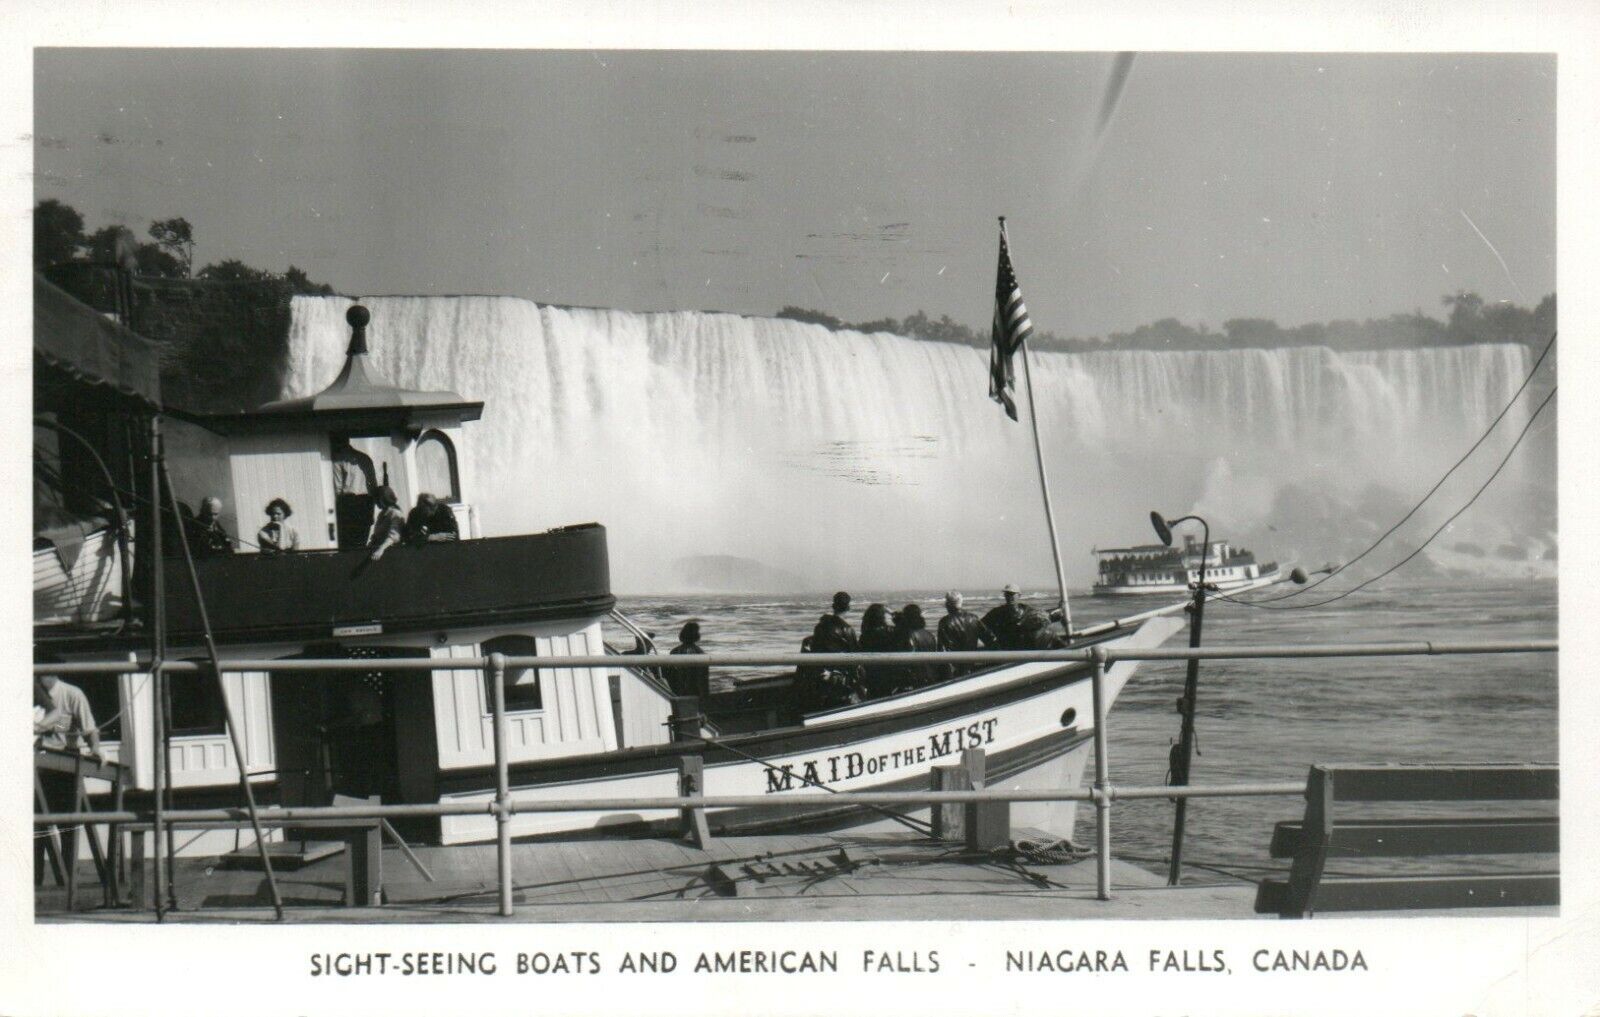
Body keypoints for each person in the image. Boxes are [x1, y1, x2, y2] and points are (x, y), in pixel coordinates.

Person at [800, 592, 860, 710]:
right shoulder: (848, 629)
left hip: (821, 672)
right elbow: (855, 655)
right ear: (848, 607)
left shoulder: (820, 627)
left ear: (833, 606)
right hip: (840, 677)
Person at [33, 672, 102, 762]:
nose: (35, 678)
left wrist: (95, 748)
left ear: (53, 673)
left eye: (38, 674)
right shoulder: (33, 692)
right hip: (38, 752)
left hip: (66, 755)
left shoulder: (74, 694)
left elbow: (89, 729)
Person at [331, 439, 378, 549]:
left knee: (348, 542)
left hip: (349, 502)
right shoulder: (365, 458)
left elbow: (338, 487)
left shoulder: (339, 460)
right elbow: (373, 484)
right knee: (362, 540)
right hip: (366, 502)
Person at [891, 603, 945, 690]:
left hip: (914, 680)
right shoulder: (929, 635)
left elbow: (905, 661)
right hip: (931, 677)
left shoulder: (906, 635)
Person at [937, 591, 991, 675]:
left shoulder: (945, 622)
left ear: (948, 604)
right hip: (972, 664)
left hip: (955, 668)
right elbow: (990, 639)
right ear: (961, 603)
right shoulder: (974, 619)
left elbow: (942, 649)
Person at [858, 602, 898, 699]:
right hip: (890, 674)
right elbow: (906, 624)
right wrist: (893, 613)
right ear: (882, 617)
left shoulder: (865, 636)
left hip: (871, 675)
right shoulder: (890, 632)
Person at [667, 621, 711, 699]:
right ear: (697, 636)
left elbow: (671, 678)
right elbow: (703, 681)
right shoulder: (700, 653)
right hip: (695, 694)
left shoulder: (674, 652)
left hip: (677, 693)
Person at [981, 583, 1029, 650]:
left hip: (1021, 650)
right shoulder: (996, 613)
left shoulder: (1028, 612)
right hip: (1002, 650)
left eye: (1011, 594)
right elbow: (980, 626)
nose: (1009, 597)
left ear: (1019, 595)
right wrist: (991, 641)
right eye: (1007, 594)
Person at [367, 486, 405, 560]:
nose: (375, 502)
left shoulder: (395, 513)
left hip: (391, 553)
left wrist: (381, 549)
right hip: (378, 553)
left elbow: (394, 537)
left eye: (376, 499)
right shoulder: (381, 514)